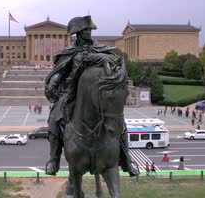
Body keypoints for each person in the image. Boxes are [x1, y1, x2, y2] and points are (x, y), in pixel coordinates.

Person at [44, 15, 138, 177]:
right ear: (78, 33)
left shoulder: (101, 49)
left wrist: (98, 58)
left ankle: (127, 160)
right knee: (54, 118)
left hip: (98, 93)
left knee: (119, 122)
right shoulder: (70, 52)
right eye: (85, 30)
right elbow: (61, 71)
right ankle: (54, 159)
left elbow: (115, 61)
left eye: (90, 29)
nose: (88, 32)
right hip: (72, 93)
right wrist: (53, 81)